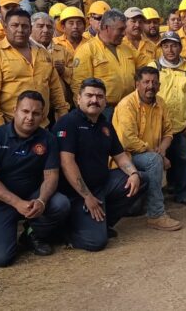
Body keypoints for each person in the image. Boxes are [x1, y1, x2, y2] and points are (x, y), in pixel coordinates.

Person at [0, 91, 70, 267]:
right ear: (14, 110)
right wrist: (16, 202)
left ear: (42, 115)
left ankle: (32, 233)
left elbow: (51, 176)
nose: (30, 117)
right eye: (25, 111)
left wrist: (41, 201)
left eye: (36, 113)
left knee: (60, 204)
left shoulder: (47, 139)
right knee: (0, 259)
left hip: (32, 197)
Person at [55, 78, 147, 251]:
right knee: (96, 243)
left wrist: (133, 174)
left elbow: (120, 156)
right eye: (89, 95)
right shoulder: (68, 122)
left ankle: (102, 223)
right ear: (78, 99)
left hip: (101, 185)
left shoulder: (105, 125)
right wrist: (87, 196)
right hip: (75, 192)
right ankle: (63, 233)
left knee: (141, 179)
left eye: (99, 96)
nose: (94, 100)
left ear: (105, 101)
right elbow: (67, 163)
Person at [112, 67, 182, 231]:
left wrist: (163, 150)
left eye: (154, 82)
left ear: (159, 85)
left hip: (150, 154)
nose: (150, 86)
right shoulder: (126, 105)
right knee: (153, 161)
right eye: (146, 82)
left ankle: (154, 208)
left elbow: (168, 132)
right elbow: (128, 140)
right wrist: (156, 154)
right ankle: (156, 214)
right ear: (137, 84)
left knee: (155, 159)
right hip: (126, 157)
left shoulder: (161, 103)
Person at [0, 9, 69, 128]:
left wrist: (63, 113)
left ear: (30, 29)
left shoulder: (43, 53)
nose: (20, 30)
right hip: (9, 125)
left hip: (41, 125)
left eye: (25, 26)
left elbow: (55, 87)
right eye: (15, 25)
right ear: (5, 28)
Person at [72, 9, 148, 119]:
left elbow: (148, 63)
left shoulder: (127, 48)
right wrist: (86, 116)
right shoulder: (87, 50)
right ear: (107, 28)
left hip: (128, 108)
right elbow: (79, 85)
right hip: (102, 111)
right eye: (121, 30)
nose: (124, 33)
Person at [152, 31, 186, 206]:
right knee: (157, 159)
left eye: (173, 45)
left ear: (180, 47)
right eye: (165, 45)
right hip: (158, 125)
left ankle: (183, 193)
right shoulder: (154, 66)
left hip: (181, 124)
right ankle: (157, 197)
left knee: (184, 158)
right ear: (161, 47)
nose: (170, 49)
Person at [30, 12, 73, 103]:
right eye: (40, 26)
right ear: (31, 29)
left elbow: (75, 74)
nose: (45, 30)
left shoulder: (62, 51)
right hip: (34, 105)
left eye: (49, 27)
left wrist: (63, 70)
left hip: (61, 103)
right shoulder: (26, 50)